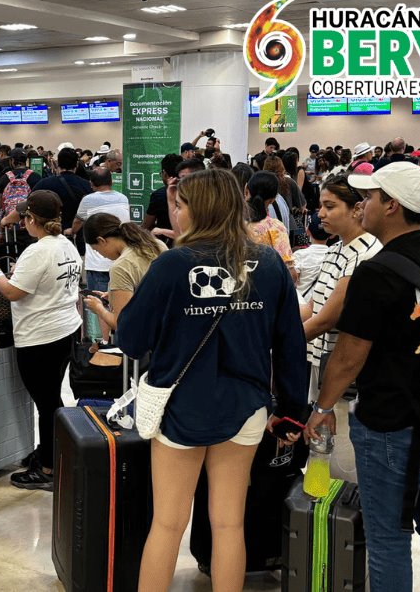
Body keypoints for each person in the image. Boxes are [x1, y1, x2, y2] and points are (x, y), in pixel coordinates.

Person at [117, 168, 308, 592]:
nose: (176, 214)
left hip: (182, 405)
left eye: (180, 205)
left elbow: (131, 339)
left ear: (197, 210)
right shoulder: (271, 264)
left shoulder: (171, 265)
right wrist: (293, 411)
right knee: (228, 523)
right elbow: (291, 345)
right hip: (247, 407)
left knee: (167, 523)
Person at [305, 164, 420, 592]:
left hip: (391, 420)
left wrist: (322, 408)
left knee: (389, 538)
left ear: (391, 206)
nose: (363, 205)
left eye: (370, 197)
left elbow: (348, 357)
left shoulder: (376, 271)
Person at [0, 190, 81, 490]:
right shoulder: (66, 244)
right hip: (65, 330)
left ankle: (49, 469)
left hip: (40, 338)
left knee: (47, 402)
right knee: (52, 398)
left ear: (30, 220)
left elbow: (13, 292)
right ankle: (52, 454)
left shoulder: (37, 251)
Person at [299, 172, 381, 388]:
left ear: (356, 209)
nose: (321, 214)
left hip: (345, 369)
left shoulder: (366, 253)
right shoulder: (335, 249)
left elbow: (327, 319)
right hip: (322, 358)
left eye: (330, 206)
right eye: (320, 206)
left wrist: (280, 342)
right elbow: (313, 307)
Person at [81, 213, 165, 336]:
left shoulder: (120, 267)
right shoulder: (157, 245)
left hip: (146, 337)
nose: (102, 255)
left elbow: (121, 323)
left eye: (97, 250)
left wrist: (98, 308)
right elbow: (155, 290)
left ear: (101, 240)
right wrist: (119, 295)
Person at [71, 167, 130, 293]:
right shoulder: (123, 198)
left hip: (98, 264)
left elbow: (77, 222)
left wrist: (72, 231)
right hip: (122, 260)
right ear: (111, 182)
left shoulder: (88, 200)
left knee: (99, 303)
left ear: (91, 183)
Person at [245, 171, 297, 281]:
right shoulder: (275, 227)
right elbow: (290, 272)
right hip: (266, 288)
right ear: (273, 199)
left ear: (246, 190)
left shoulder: (230, 224)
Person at [34, 148, 92, 233]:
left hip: (51, 233)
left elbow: (30, 203)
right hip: (79, 235)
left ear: (58, 164)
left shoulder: (44, 184)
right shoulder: (87, 185)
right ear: (76, 165)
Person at [291, 213, 332, 294]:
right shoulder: (334, 255)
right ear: (332, 235)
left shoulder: (299, 255)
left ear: (307, 231)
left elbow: (293, 283)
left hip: (302, 303)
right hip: (323, 303)